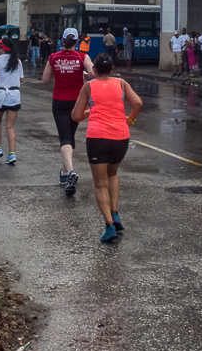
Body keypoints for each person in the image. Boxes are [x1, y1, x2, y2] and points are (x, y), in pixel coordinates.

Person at [71, 52, 143, 243]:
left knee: (100, 184)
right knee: (112, 174)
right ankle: (115, 212)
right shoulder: (121, 83)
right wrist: (130, 120)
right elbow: (137, 103)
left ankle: (109, 225)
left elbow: (75, 116)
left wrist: (89, 112)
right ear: (112, 69)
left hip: (97, 137)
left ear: (94, 70)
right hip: (121, 136)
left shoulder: (89, 86)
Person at [43, 27, 96, 195]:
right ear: (76, 42)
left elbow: (45, 79)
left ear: (62, 40)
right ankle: (65, 174)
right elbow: (94, 73)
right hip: (77, 102)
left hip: (59, 101)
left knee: (64, 137)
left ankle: (70, 170)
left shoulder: (53, 57)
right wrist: (84, 75)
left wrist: (60, 73)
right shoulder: (82, 57)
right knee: (69, 136)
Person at [0, 36, 24, 165]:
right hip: (14, 95)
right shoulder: (17, 61)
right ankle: (12, 153)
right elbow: (21, 79)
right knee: (10, 126)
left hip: (0, 94)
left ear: (3, 49)